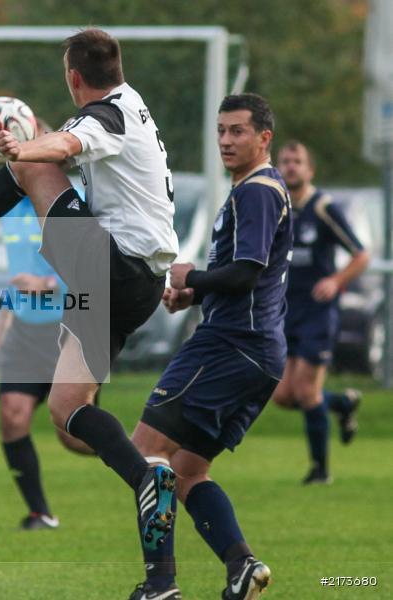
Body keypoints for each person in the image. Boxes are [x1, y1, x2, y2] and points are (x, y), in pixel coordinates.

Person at [0, 27, 181, 582]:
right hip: (134, 284)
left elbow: (66, 146)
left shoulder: (110, 114)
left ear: (73, 77)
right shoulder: (129, 107)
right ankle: (155, 531)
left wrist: (24, 149)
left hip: (114, 267)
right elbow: (78, 145)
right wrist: (39, 145)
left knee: (30, 170)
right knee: (68, 410)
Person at [132, 93, 291, 599]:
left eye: (237, 131)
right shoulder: (258, 188)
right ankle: (242, 566)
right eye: (221, 130)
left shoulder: (257, 192)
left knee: (146, 451)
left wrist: (191, 277)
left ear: (264, 137)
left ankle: (160, 583)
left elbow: (246, 274)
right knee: (187, 470)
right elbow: (251, 276)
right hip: (259, 353)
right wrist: (196, 294)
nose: (225, 140)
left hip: (230, 345)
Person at [0, 191, 95, 531]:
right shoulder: (9, 205)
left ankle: (147, 453)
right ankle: (40, 514)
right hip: (25, 330)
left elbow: (91, 264)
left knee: (74, 435)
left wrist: (47, 284)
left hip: (69, 327)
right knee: (12, 414)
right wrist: (6, 311)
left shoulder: (71, 200)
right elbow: (21, 270)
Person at [270, 141, 369, 484]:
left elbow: (361, 255)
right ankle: (341, 404)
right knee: (283, 396)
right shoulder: (278, 208)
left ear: (310, 169)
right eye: (285, 161)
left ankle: (320, 471)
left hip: (318, 313)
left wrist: (336, 281)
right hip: (286, 311)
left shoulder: (324, 207)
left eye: (297, 161)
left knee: (307, 390)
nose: (291, 166)